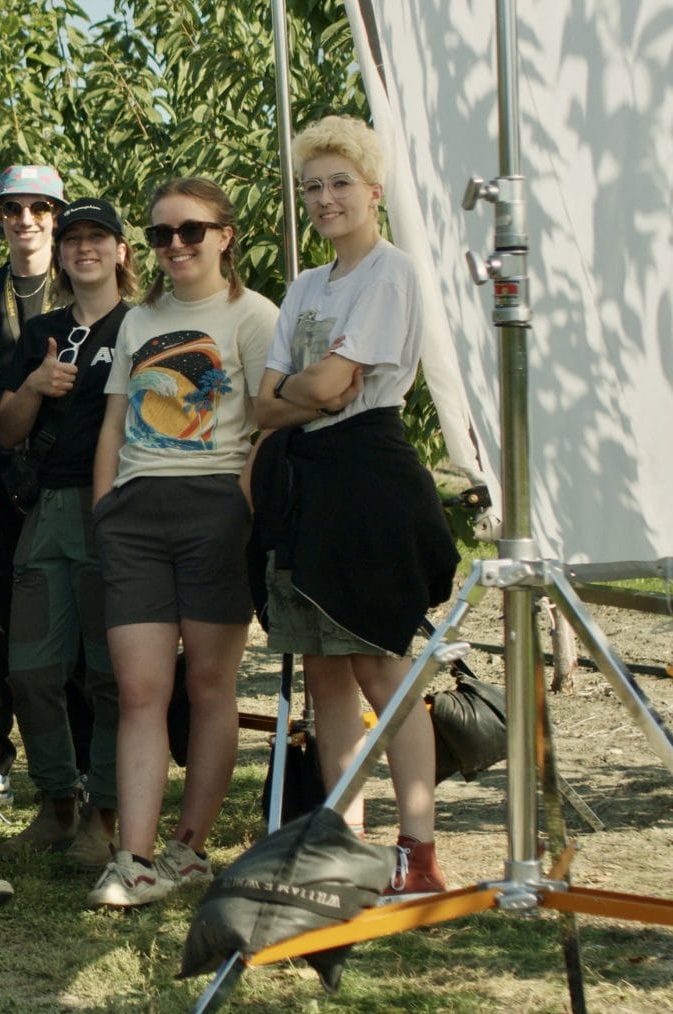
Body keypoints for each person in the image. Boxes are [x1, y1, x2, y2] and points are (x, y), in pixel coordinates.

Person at [250, 116, 458, 899]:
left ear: (373, 190)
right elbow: (263, 405)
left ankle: (420, 848)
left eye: (341, 182)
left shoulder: (390, 272)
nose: (327, 198)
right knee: (326, 675)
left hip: (370, 478)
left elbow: (332, 389)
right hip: (307, 486)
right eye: (314, 186)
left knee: (382, 667)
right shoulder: (306, 286)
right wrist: (306, 392)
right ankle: (346, 839)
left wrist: (301, 392)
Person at [86, 176, 281, 909]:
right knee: (140, 689)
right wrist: (106, 506)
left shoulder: (255, 317)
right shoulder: (138, 321)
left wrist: (239, 503)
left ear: (225, 235)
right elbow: (113, 423)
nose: (175, 246)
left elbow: (270, 421)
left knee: (208, 685)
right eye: (162, 234)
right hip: (135, 513)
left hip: (214, 508)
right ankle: (134, 859)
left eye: (190, 231)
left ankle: (188, 849)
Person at [0, 197, 136, 868]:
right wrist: (35, 385)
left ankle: (104, 815)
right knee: (30, 670)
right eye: (73, 238)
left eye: (97, 238)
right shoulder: (40, 329)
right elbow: (4, 429)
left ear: (121, 251)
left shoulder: (144, 325)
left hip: (117, 509)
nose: (84, 249)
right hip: (47, 509)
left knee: (110, 675)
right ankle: (57, 802)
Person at [0, 165, 69, 802]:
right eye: (14, 209)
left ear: (57, 217)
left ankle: (76, 769)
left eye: (40, 208)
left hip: (68, 475)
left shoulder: (85, 285)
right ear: (0, 219)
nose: (26, 219)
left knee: (71, 629)